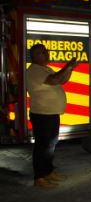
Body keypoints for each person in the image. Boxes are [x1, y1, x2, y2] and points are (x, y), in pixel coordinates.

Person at [26, 44, 78, 188]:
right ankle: (39, 178)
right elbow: (54, 80)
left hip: (50, 114)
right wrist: (67, 66)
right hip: (42, 115)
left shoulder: (45, 68)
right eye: (42, 52)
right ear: (34, 56)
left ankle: (48, 172)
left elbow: (62, 80)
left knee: (50, 145)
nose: (46, 54)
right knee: (42, 146)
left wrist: (70, 69)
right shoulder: (34, 70)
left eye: (46, 51)